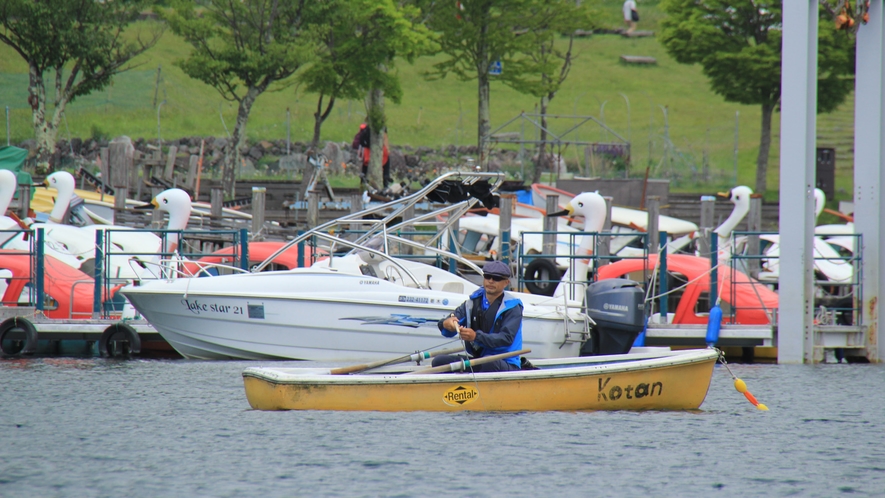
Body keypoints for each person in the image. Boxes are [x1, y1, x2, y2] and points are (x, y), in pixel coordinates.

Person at [434, 260, 524, 372]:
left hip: (505, 362)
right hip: (480, 360)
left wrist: (475, 337)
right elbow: (451, 320)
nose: (491, 281)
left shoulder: (513, 307)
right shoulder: (472, 302)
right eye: (487, 276)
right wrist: (446, 324)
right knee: (438, 362)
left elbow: (506, 339)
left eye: (496, 278)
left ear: (506, 282)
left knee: (489, 362)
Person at [353, 123, 391, 188]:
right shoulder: (381, 128)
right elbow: (385, 140)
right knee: (386, 169)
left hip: (367, 153)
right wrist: (387, 150)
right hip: (380, 153)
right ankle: (385, 185)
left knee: (365, 170)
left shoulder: (366, 130)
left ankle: (363, 186)